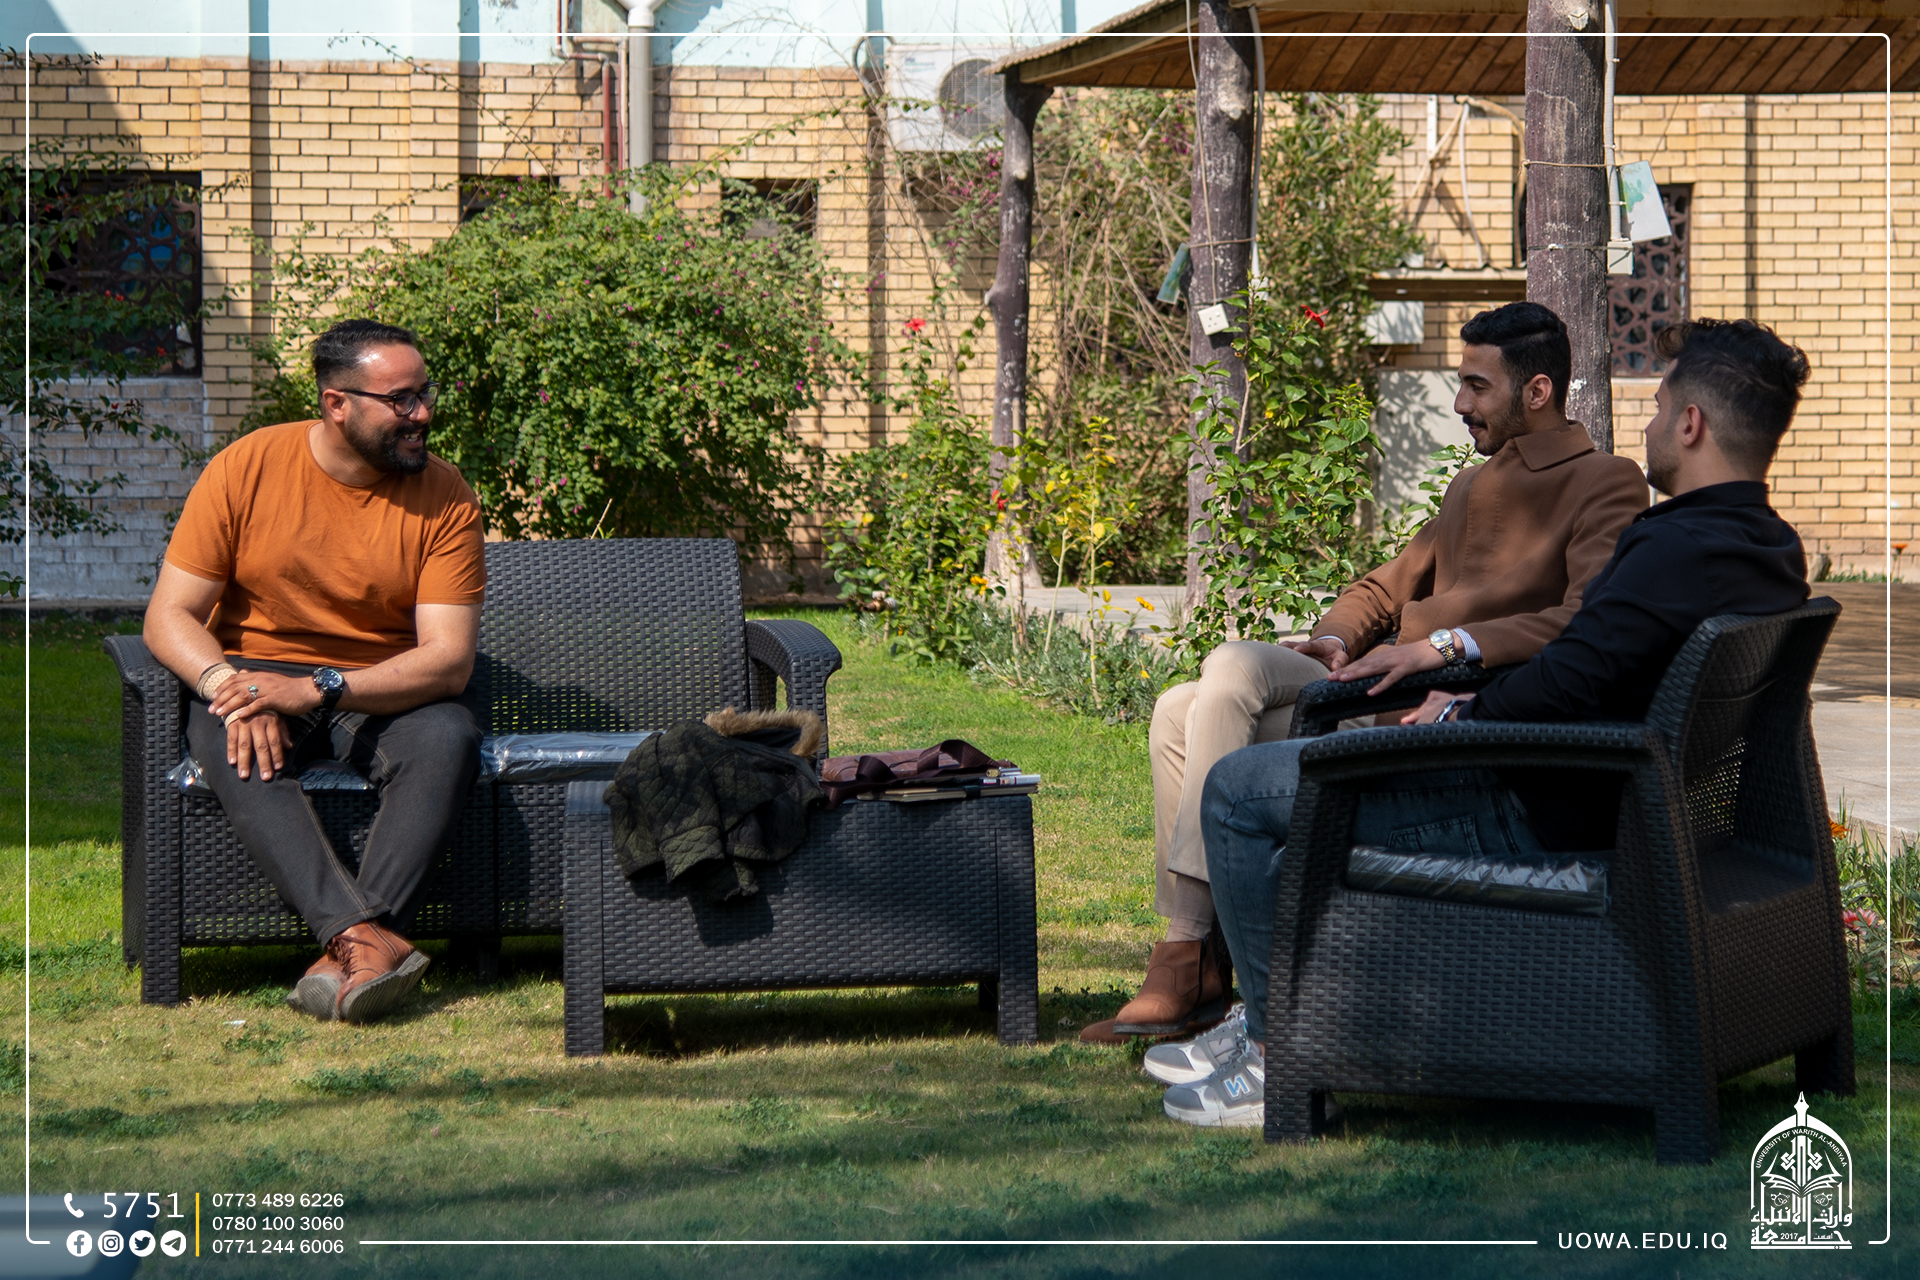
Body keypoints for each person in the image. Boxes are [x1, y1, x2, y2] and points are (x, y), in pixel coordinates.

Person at [1152, 317, 1813, 1126]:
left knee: (1235, 792)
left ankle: (1273, 1047)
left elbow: (1574, 669)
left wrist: (1465, 710)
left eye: (1657, 405)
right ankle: (1264, 1013)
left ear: (1691, 423)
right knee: (1212, 730)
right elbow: (1588, 662)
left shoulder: (1672, 546)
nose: (1645, 424)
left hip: (1531, 800)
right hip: (1594, 789)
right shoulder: (1768, 547)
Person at [1086, 301, 1649, 1042]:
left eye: (1477, 386)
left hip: (1441, 711)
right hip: (1380, 686)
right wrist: (1333, 639)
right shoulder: (1472, 483)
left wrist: (1445, 645)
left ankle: (1191, 956)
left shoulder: (1605, 481)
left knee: (1215, 681)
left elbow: (1582, 619)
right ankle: (1194, 954)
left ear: (1537, 391)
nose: (1460, 404)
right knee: (1179, 707)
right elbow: (1385, 587)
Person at [143, 319, 486, 1024]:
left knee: (446, 737)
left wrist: (316, 687)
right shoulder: (248, 467)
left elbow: (448, 660)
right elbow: (169, 615)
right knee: (234, 736)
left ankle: (348, 952)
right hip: (254, 672)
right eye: (400, 399)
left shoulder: (446, 496)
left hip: (380, 681)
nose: (421, 413)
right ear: (337, 404)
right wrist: (227, 686)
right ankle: (368, 944)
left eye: (424, 394)